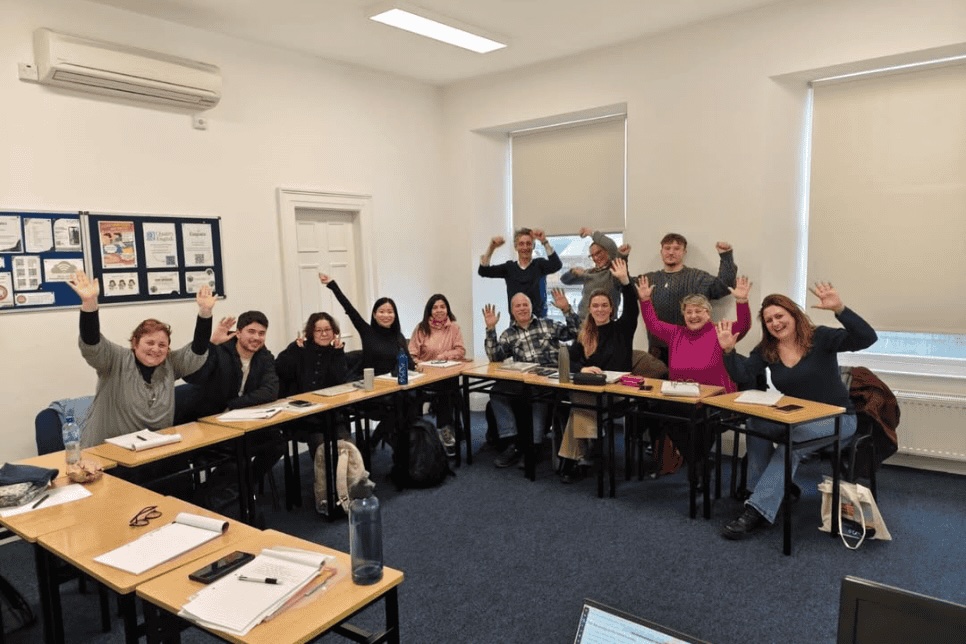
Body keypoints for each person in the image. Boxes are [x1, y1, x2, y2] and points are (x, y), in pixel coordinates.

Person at [716, 282, 877, 539]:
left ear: (794, 314)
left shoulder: (820, 338)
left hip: (837, 418)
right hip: (796, 416)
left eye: (780, 316)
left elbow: (867, 338)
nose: (775, 323)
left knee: (792, 442)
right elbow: (742, 374)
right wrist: (728, 351)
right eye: (769, 320)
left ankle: (756, 510)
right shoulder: (768, 350)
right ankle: (762, 491)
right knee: (756, 424)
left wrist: (840, 309)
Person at [66, 270, 213, 448]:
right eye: (149, 343)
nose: (156, 349)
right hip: (106, 453)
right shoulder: (115, 360)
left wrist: (205, 313)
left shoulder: (170, 363)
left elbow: (196, 352)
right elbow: (93, 344)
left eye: (162, 345)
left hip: (153, 451)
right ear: (135, 343)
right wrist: (89, 304)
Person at [557, 258, 637, 483]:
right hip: (591, 391)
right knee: (581, 401)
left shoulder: (623, 329)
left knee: (579, 405)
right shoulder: (585, 334)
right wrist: (584, 367)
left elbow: (632, 307)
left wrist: (625, 282)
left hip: (617, 392)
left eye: (604, 305)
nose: (600, 309)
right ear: (589, 309)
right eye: (595, 306)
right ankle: (584, 453)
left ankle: (574, 459)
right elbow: (569, 361)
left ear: (611, 308)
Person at [483, 289, 579, 468]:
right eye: (517, 306)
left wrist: (566, 310)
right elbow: (495, 357)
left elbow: (576, 332)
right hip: (525, 378)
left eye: (525, 304)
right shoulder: (508, 334)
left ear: (531, 306)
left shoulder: (548, 324)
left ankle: (534, 446)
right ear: (512, 310)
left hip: (550, 378)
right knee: (497, 392)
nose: (522, 308)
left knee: (537, 393)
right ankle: (512, 441)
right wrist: (490, 329)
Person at [638, 275, 752, 392]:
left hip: (716, 399)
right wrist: (645, 300)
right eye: (688, 312)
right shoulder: (675, 333)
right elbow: (653, 324)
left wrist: (742, 301)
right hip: (680, 397)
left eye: (698, 311)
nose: (693, 316)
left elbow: (743, 325)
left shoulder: (721, 331)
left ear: (708, 314)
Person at [640, 233, 738, 365]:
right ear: (661, 251)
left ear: (684, 252)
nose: (671, 252)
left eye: (676, 248)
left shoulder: (698, 278)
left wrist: (726, 256)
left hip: (692, 345)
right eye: (667, 248)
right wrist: (622, 259)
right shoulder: (648, 279)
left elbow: (725, 287)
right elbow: (625, 285)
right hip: (657, 350)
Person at [275, 312, 348, 460]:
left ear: (334, 332)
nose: (324, 334)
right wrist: (294, 350)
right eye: (318, 330)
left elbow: (340, 380)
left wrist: (338, 354)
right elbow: (281, 370)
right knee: (323, 453)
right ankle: (324, 475)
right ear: (311, 332)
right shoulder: (299, 348)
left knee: (348, 449)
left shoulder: (335, 351)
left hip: (330, 413)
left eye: (327, 329)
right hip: (306, 417)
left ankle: (348, 475)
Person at [179, 311, 279, 419]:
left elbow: (270, 391)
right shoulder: (219, 351)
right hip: (208, 418)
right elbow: (192, 376)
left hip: (242, 415)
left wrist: (233, 405)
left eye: (261, 333)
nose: (256, 337)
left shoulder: (265, 357)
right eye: (251, 332)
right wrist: (211, 344)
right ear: (238, 333)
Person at [318, 273, 412, 375]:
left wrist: (418, 366)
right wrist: (332, 284)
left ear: (395, 315)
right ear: (374, 315)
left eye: (390, 312)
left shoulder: (399, 336)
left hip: (393, 382)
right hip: (370, 381)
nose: (386, 315)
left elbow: (409, 363)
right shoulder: (367, 331)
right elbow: (350, 309)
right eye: (381, 312)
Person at [408, 294, 466, 453]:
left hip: (447, 375)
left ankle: (446, 428)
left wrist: (443, 356)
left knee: (449, 387)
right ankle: (446, 428)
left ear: (447, 309)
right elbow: (411, 354)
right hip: (425, 377)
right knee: (448, 391)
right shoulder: (421, 328)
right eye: (435, 307)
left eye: (442, 307)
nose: (439, 310)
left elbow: (460, 350)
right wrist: (419, 364)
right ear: (429, 311)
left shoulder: (454, 328)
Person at [478, 227, 562, 318]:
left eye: (528, 244)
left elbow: (556, 265)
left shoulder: (539, 264)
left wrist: (544, 241)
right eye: (521, 244)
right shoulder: (509, 267)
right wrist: (491, 248)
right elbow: (483, 271)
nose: (525, 247)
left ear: (533, 246)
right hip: (516, 321)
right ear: (516, 247)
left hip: (539, 319)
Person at [559, 227, 631, 319]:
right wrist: (573, 272)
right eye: (592, 256)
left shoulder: (614, 273)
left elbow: (611, 245)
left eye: (598, 253)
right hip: (583, 321)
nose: (596, 258)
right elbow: (564, 280)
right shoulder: (589, 272)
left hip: (604, 322)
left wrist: (591, 233)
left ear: (607, 251)